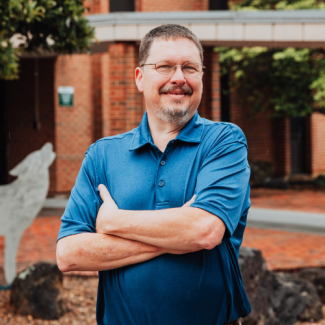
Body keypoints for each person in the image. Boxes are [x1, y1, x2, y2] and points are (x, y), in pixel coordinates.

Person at [56, 24, 251, 325]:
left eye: (189, 67)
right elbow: (69, 254)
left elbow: (204, 231)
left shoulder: (224, 142)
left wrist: (114, 222)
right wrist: (178, 234)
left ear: (202, 76)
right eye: (164, 66)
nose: (178, 77)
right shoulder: (103, 155)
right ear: (140, 77)